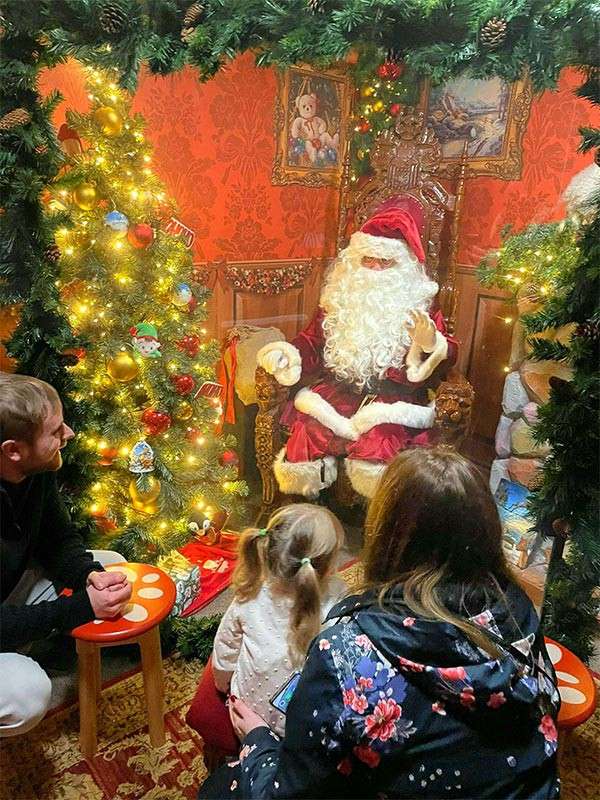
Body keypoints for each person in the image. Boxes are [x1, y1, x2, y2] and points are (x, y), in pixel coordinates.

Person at [199, 447, 560, 800]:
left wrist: (259, 739)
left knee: (215, 790)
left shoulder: (348, 648)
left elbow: (289, 790)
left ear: (387, 534)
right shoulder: (516, 605)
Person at [257, 203, 458, 501]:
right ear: (355, 259)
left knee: (380, 444)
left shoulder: (420, 302)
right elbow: (312, 341)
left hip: (394, 397)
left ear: (403, 267)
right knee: (307, 431)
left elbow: (448, 356)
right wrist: (288, 353)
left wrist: (431, 343)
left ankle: (379, 521)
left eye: (384, 262)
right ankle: (301, 510)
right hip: (339, 389)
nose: (374, 268)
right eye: (368, 259)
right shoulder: (339, 298)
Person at [0, 373, 132, 738]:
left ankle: (31, 643)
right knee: (27, 695)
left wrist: (89, 575)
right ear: (14, 450)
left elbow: (58, 538)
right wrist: (81, 608)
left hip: (8, 591)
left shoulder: (33, 469)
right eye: (56, 430)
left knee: (114, 566)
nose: (69, 434)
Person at [186, 503, 347, 758]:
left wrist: (223, 685)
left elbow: (225, 650)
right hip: (304, 728)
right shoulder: (338, 599)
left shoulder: (249, 594)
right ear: (326, 568)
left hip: (246, 718)